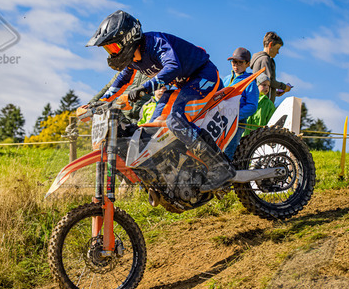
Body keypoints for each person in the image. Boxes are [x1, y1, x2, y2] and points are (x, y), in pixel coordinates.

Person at [86, 10, 233, 192]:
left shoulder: (155, 42)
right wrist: (99, 102)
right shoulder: (133, 60)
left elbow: (173, 66)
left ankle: (220, 166)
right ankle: (168, 173)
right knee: (152, 128)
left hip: (203, 75)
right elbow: (122, 80)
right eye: (109, 50)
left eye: (114, 48)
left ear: (128, 39)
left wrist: (144, 89)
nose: (112, 53)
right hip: (181, 84)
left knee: (175, 120)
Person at [221, 47, 260, 160]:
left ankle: (227, 169)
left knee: (228, 151)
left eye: (240, 62)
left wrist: (236, 115)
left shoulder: (250, 82)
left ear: (247, 64)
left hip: (237, 123)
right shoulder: (226, 79)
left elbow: (252, 106)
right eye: (234, 62)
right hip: (220, 121)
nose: (236, 65)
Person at [250, 32, 292, 104]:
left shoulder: (259, 59)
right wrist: (284, 87)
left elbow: (262, 86)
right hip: (264, 104)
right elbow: (269, 81)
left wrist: (274, 92)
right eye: (277, 48)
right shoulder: (265, 59)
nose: (278, 52)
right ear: (270, 45)